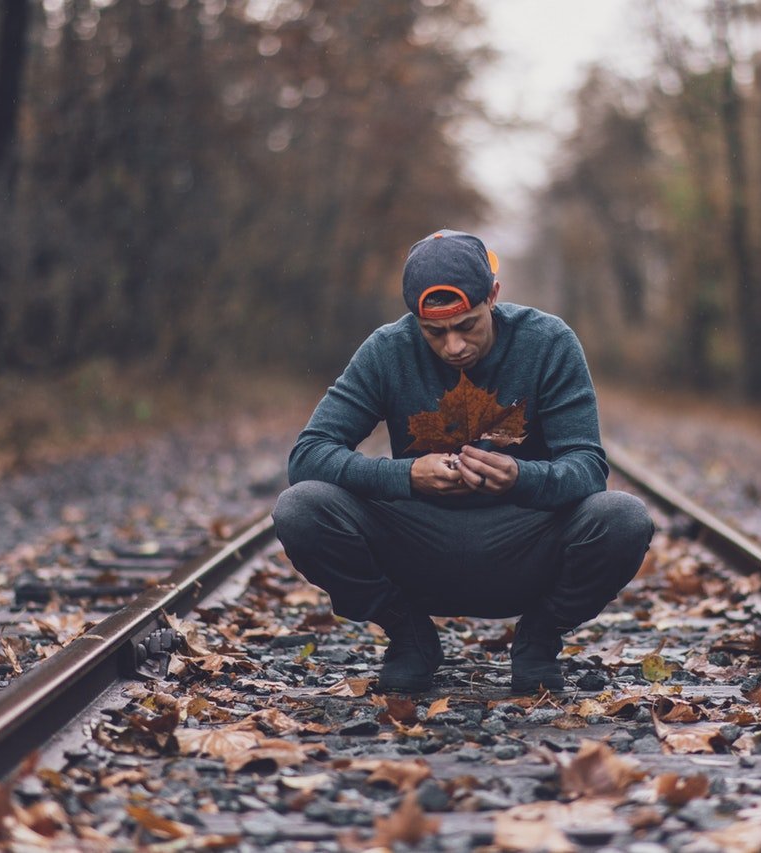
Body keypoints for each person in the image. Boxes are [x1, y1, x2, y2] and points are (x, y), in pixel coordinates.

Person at [272, 229, 653, 693]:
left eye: (467, 325)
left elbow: (588, 468)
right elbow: (309, 455)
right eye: (435, 332)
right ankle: (409, 636)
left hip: (523, 543)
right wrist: (407, 476)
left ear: (493, 295)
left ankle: (537, 640)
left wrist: (519, 477)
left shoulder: (548, 342)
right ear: (416, 317)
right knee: (300, 508)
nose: (454, 346)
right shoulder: (387, 350)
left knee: (624, 518)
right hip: (418, 544)